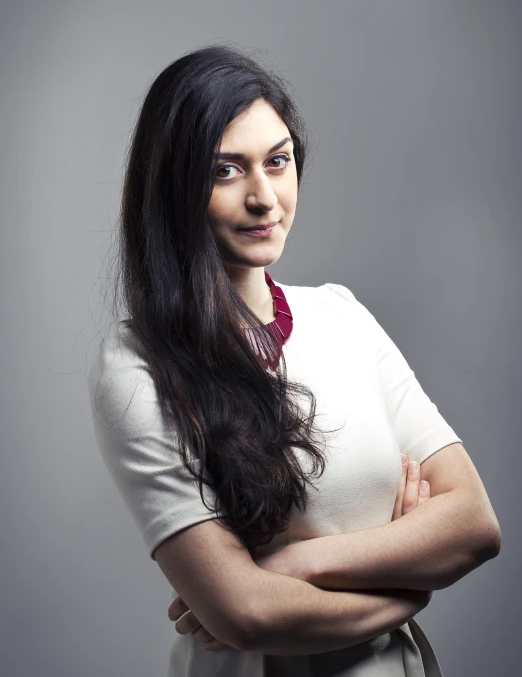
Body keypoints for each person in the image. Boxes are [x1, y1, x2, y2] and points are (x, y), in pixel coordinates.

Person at [87, 44, 501, 676]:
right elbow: (247, 616)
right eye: (225, 171)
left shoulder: (342, 316)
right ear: (172, 186)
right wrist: (409, 580)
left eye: (277, 162)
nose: (264, 198)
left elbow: (473, 525)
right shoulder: (137, 364)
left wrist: (296, 565)